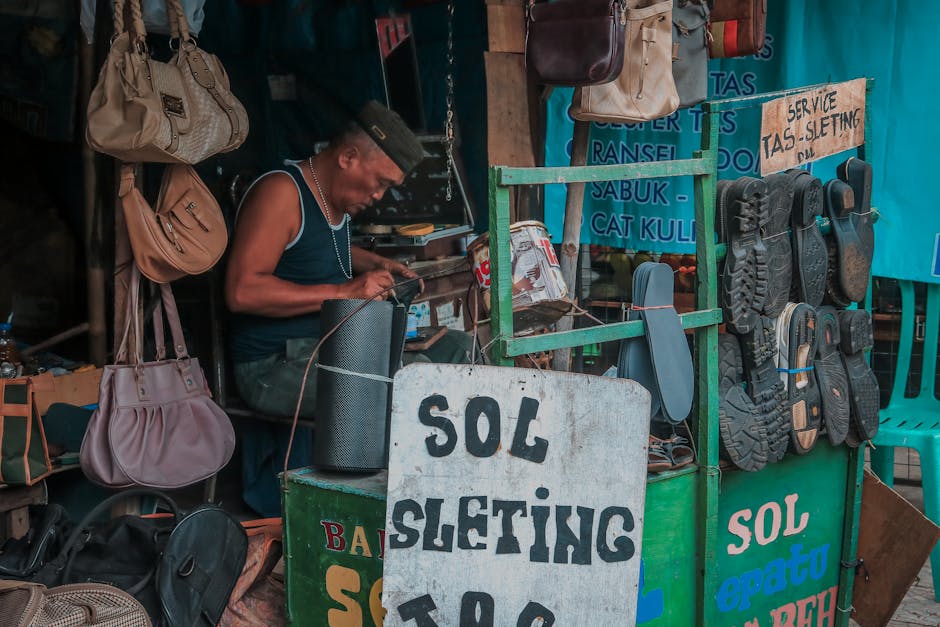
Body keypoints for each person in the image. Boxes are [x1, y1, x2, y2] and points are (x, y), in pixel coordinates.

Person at [225, 101, 473, 514]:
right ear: (348, 157)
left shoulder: (332, 201)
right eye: (379, 183)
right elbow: (242, 291)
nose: (378, 197)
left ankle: (444, 500)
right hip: (274, 365)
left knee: (456, 352)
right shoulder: (281, 193)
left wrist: (375, 263)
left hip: (328, 348)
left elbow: (312, 250)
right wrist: (344, 292)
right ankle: (393, 513)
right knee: (410, 384)